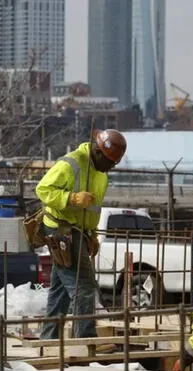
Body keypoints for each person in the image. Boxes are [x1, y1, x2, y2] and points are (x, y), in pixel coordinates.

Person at [36, 129, 126, 351]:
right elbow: (43, 189)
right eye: (110, 161)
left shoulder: (100, 173)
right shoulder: (71, 164)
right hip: (61, 228)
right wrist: (72, 198)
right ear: (97, 152)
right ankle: (85, 341)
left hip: (80, 230)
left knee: (60, 288)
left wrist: (92, 233)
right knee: (83, 286)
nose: (112, 167)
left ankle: (49, 338)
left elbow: (93, 209)